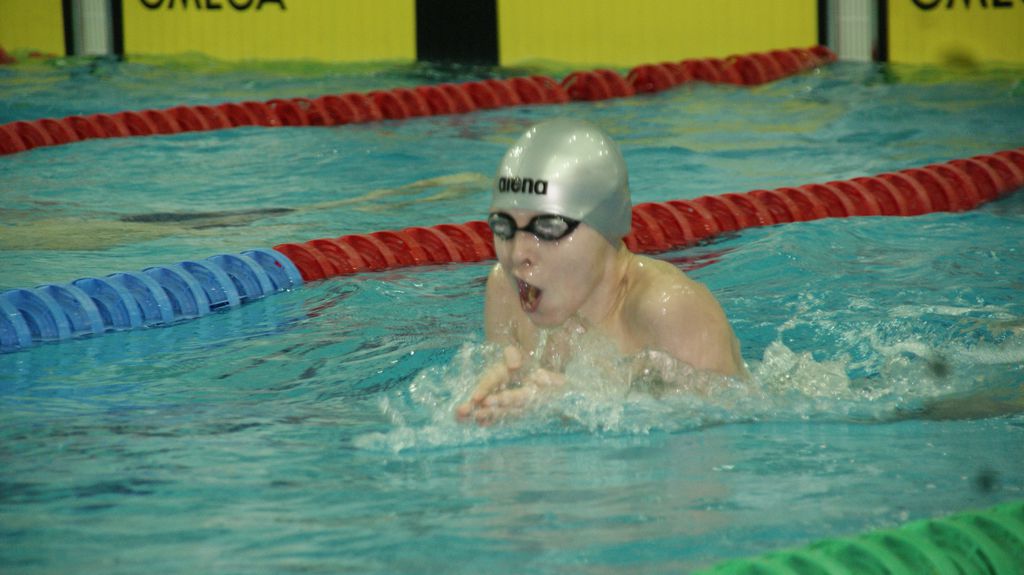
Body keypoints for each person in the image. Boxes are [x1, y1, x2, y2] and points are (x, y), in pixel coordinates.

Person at [456, 118, 746, 424]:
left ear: (605, 224)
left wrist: (583, 404)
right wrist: (495, 402)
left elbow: (728, 427)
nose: (517, 255)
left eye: (548, 228)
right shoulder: (506, 290)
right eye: (503, 227)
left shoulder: (670, 310)